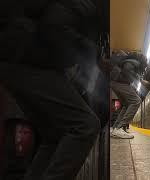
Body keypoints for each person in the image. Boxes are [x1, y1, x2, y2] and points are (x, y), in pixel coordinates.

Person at [0, 0, 105, 179]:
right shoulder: (83, 4)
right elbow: (54, 28)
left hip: (13, 58)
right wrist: (91, 53)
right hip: (27, 59)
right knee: (85, 125)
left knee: (54, 134)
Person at [109, 51, 150, 139]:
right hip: (119, 82)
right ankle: (119, 128)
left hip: (115, 82)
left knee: (126, 104)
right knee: (136, 101)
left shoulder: (131, 61)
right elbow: (127, 70)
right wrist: (136, 81)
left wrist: (139, 79)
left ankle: (115, 128)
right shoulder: (135, 62)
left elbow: (128, 71)